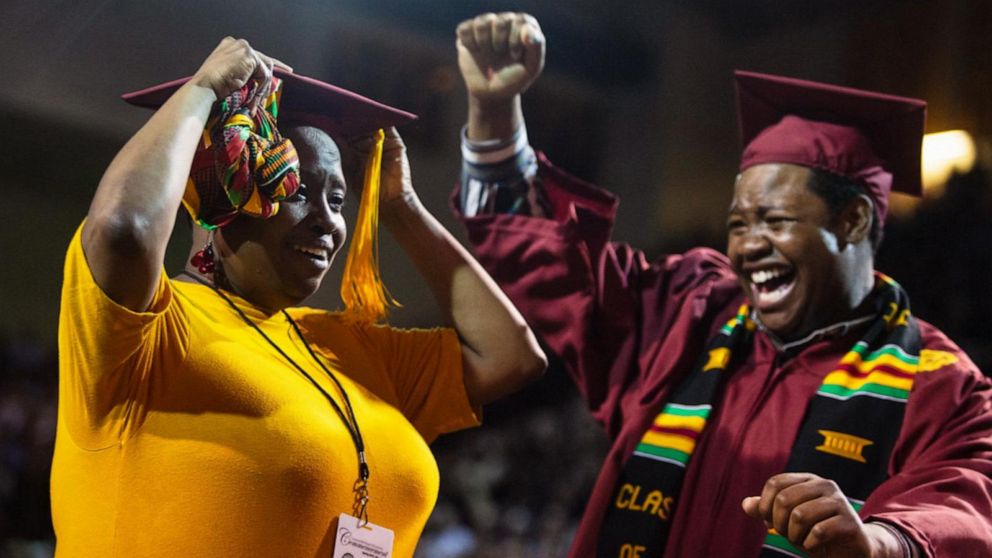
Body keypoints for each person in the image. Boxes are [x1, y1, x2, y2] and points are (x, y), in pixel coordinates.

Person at [452, 12, 992, 558]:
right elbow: (551, 263)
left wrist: (878, 542)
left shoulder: (940, 385)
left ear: (851, 221)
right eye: (738, 223)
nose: (748, 245)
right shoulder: (687, 315)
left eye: (776, 220)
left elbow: (966, 502)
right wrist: (495, 113)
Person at [54, 37, 546, 558]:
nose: (331, 220)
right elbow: (123, 229)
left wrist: (398, 205)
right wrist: (202, 92)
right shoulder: (150, 332)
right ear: (220, 196)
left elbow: (511, 357)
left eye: (337, 198)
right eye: (296, 189)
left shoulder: (344, 349)